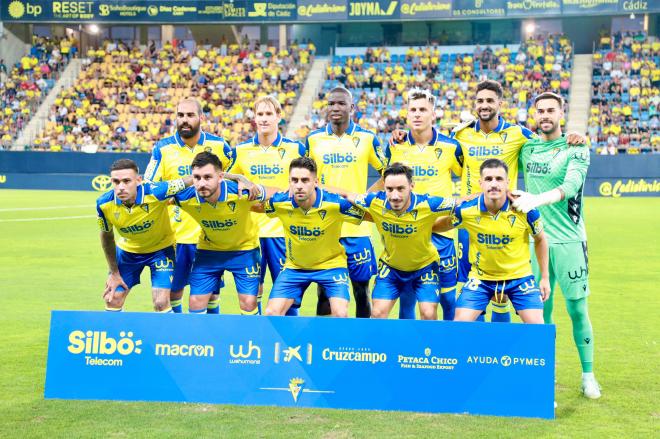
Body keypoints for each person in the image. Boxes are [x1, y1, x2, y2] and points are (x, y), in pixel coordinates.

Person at [513, 92, 601, 399]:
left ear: (560, 114)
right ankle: (543, 372)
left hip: (570, 242)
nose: (546, 115)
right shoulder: (527, 146)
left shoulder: (576, 147)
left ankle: (588, 375)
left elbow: (571, 186)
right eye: (541, 111)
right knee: (540, 311)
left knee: (577, 309)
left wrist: (536, 199)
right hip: (538, 243)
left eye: (551, 110)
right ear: (534, 115)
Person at [372, 88, 462, 320]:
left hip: (440, 231)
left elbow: (467, 177)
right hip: (408, 231)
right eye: (413, 110)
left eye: (423, 110)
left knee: (448, 299)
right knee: (407, 298)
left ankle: (448, 351)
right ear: (407, 114)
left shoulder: (451, 147)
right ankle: (410, 353)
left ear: (434, 114)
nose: (417, 114)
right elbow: (386, 181)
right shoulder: (395, 146)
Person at [144, 98, 234, 314]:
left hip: (209, 235)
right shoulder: (163, 148)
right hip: (174, 236)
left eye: (190, 115)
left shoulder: (220, 146)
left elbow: (233, 180)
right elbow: (149, 187)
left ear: (201, 118)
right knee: (173, 294)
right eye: (180, 115)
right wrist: (181, 184)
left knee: (211, 293)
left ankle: (210, 341)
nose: (184, 120)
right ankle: (178, 340)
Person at [434, 159, 550, 324]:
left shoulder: (525, 210)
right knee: (459, 326)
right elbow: (439, 226)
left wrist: (544, 277)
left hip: (520, 278)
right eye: (488, 179)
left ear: (507, 182)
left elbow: (540, 240)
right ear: (480, 183)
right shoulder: (466, 211)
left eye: (499, 179)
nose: (494, 184)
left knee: (537, 328)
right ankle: (476, 350)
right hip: (481, 279)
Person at [306, 86, 387, 318]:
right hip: (325, 227)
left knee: (361, 290)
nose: (335, 108)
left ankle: (362, 345)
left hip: (357, 228)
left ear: (352, 107)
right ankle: (324, 342)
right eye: (331, 103)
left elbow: (386, 174)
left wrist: (364, 198)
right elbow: (304, 176)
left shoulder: (367, 139)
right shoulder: (313, 140)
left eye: (341, 103)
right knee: (324, 292)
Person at [344, 163, 456, 320]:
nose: (394, 196)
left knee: (428, 313)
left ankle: (428, 345)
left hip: (425, 268)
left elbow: (461, 204)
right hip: (391, 269)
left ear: (411, 186)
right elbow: (347, 196)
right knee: (377, 313)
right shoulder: (374, 201)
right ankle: (382, 345)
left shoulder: (428, 204)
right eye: (389, 189)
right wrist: (316, 189)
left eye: (400, 189)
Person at [229, 95, 305, 315]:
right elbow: (230, 183)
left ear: (278, 117)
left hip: (283, 232)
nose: (263, 119)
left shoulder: (294, 150)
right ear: (254, 118)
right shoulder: (241, 151)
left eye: (268, 114)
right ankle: (259, 340)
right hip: (250, 234)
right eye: (259, 114)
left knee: (286, 294)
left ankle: (291, 343)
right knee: (252, 295)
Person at [260, 157, 365, 317]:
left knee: (340, 314)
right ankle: (286, 343)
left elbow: (370, 215)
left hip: (331, 266)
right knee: (271, 312)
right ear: (289, 182)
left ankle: (334, 343)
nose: (299, 185)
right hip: (295, 268)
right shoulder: (280, 202)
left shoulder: (335, 204)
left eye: (305, 180)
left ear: (316, 181)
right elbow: (256, 205)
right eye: (294, 180)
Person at [173, 152, 272, 315]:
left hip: (244, 251)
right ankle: (201, 341)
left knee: (249, 303)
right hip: (209, 252)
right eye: (197, 178)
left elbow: (274, 192)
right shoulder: (185, 197)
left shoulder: (240, 192)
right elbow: (156, 195)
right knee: (196, 302)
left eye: (207, 177)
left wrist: (240, 179)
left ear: (220, 177)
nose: (201, 183)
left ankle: (251, 340)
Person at [96, 159, 192, 312]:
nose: (121, 187)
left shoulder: (157, 191)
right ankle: (119, 336)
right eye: (116, 181)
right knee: (112, 299)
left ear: (138, 180)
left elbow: (191, 179)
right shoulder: (103, 204)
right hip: (128, 253)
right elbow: (107, 237)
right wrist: (114, 273)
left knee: (161, 303)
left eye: (127, 181)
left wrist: (237, 178)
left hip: (161, 251)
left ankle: (171, 336)